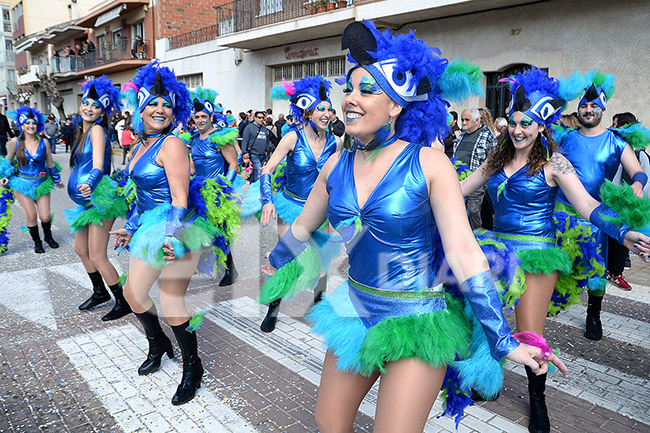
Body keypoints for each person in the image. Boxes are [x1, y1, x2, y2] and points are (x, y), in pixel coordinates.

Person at [260, 21, 568, 432]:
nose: (350, 99)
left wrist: (502, 338)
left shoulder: (428, 163)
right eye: (348, 89)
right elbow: (302, 225)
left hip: (418, 317)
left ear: (396, 105)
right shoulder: (334, 165)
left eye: (367, 89)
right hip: (356, 307)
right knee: (329, 421)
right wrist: (275, 258)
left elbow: (462, 253)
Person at [460, 68, 650, 433]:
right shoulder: (497, 160)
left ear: (541, 126)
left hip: (538, 254)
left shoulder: (555, 163)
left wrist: (623, 232)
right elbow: (461, 188)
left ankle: (537, 401)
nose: (518, 130)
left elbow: (588, 205)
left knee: (531, 335)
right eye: (514, 122)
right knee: (484, 322)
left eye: (526, 123)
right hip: (498, 251)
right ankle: (486, 380)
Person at [113, 61, 238, 406]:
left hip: (180, 226)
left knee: (170, 300)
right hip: (149, 225)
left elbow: (179, 198)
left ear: (175, 111)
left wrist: (172, 237)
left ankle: (192, 367)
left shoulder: (172, 145)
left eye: (167, 104)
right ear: (140, 107)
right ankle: (158, 343)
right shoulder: (138, 146)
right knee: (132, 293)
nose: (160, 109)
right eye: (153, 103)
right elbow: (141, 196)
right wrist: (131, 227)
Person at [553, 70, 648, 340]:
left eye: (594, 105)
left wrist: (638, 184)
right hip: (562, 212)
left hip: (595, 214)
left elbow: (638, 171)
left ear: (603, 110)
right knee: (557, 261)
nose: (588, 109)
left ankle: (593, 314)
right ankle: (554, 300)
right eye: (583, 105)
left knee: (595, 267)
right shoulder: (566, 137)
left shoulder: (616, 140)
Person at [258, 74, 342, 332]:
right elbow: (267, 169)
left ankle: (318, 306)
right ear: (307, 113)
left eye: (329, 109)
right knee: (289, 256)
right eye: (321, 109)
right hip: (291, 205)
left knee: (322, 261)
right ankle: (274, 307)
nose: (327, 113)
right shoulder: (292, 138)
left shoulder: (336, 142)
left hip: (321, 210)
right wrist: (267, 201)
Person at [65, 76, 131, 322]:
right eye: (86, 103)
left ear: (103, 111)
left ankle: (123, 301)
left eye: (95, 105)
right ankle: (100, 291)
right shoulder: (82, 132)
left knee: (97, 255)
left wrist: (89, 183)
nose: (89, 108)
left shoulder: (97, 130)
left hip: (99, 200)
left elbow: (98, 165)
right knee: (80, 249)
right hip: (85, 202)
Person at [184, 86, 241, 287]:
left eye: (203, 117)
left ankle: (230, 269)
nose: (199, 120)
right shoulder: (192, 140)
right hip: (198, 191)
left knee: (219, 232)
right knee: (201, 230)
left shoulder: (219, 139)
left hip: (217, 192)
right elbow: (193, 166)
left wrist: (223, 187)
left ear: (211, 118)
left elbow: (234, 164)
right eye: (196, 117)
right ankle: (206, 264)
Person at [0, 106, 63, 253]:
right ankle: (37, 242)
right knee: (32, 215)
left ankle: (48, 237)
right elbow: (8, 161)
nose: (30, 126)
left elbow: (50, 162)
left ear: (37, 125)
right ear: (22, 125)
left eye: (33, 123)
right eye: (27, 123)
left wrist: (56, 179)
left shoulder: (44, 142)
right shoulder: (16, 142)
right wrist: (4, 176)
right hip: (22, 184)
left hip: (41, 183)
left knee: (45, 216)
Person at [453, 107, 497, 229]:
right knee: (458, 211)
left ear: (477, 120)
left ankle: (475, 235)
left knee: (473, 211)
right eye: (462, 119)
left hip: (476, 181)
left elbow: (493, 159)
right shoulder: (461, 135)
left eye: (467, 119)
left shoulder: (487, 135)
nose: (464, 122)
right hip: (458, 180)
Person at [241, 111, 271, 182]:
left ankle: (252, 186)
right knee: (258, 172)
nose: (261, 119)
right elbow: (245, 140)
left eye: (262, 118)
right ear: (255, 118)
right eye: (259, 117)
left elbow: (267, 141)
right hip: (254, 154)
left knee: (256, 172)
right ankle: (258, 190)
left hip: (263, 154)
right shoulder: (249, 127)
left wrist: (267, 151)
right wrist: (244, 152)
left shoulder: (264, 129)